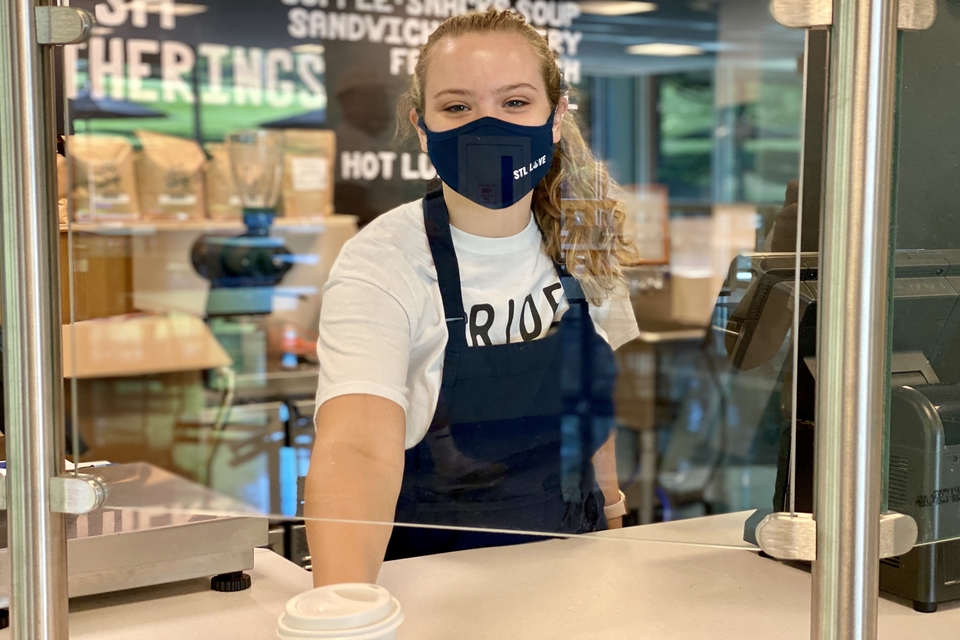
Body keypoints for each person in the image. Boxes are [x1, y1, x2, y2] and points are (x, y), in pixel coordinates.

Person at [304, 9, 641, 588]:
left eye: (514, 103)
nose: (488, 128)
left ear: (555, 118)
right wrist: (343, 605)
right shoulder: (383, 262)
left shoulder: (584, 239)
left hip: (573, 575)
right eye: (458, 107)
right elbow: (358, 449)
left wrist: (612, 518)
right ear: (423, 127)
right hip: (436, 586)